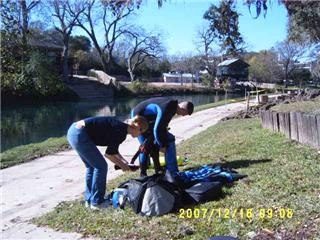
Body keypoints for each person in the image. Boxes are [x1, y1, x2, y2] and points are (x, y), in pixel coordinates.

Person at [67, 115, 148, 210]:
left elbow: (114, 151)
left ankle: (89, 200)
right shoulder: (120, 132)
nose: (140, 135)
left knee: (92, 167)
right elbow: (109, 154)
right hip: (80, 134)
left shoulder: (121, 128)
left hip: (73, 131)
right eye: (141, 132)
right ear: (138, 127)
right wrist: (123, 166)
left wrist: (126, 163)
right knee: (101, 166)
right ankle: (97, 202)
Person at [131, 97, 194, 176]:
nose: (183, 116)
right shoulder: (168, 107)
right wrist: (162, 145)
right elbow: (156, 129)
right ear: (183, 109)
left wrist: (160, 141)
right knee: (145, 146)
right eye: (184, 114)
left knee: (154, 146)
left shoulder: (173, 107)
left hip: (148, 118)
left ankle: (158, 169)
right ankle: (143, 173)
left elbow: (163, 126)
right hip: (138, 116)